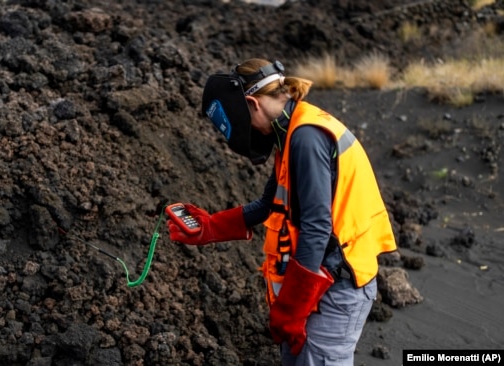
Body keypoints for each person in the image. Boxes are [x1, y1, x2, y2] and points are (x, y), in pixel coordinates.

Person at [167, 58, 397, 366]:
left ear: (253, 104)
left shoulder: (306, 137)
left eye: (246, 123)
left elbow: (317, 227)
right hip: (322, 279)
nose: (253, 134)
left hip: (339, 286)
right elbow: (267, 203)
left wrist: (290, 311)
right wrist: (210, 227)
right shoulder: (291, 130)